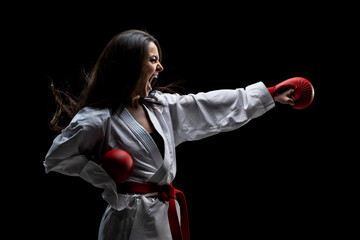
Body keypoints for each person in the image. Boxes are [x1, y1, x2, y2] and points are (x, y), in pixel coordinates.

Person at [44, 29, 296, 240]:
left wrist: (270, 93)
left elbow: (208, 105)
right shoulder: (99, 119)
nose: (160, 67)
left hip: (165, 215)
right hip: (128, 222)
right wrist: (105, 172)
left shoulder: (160, 106)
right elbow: (55, 158)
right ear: (131, 64)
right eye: (153, 60)